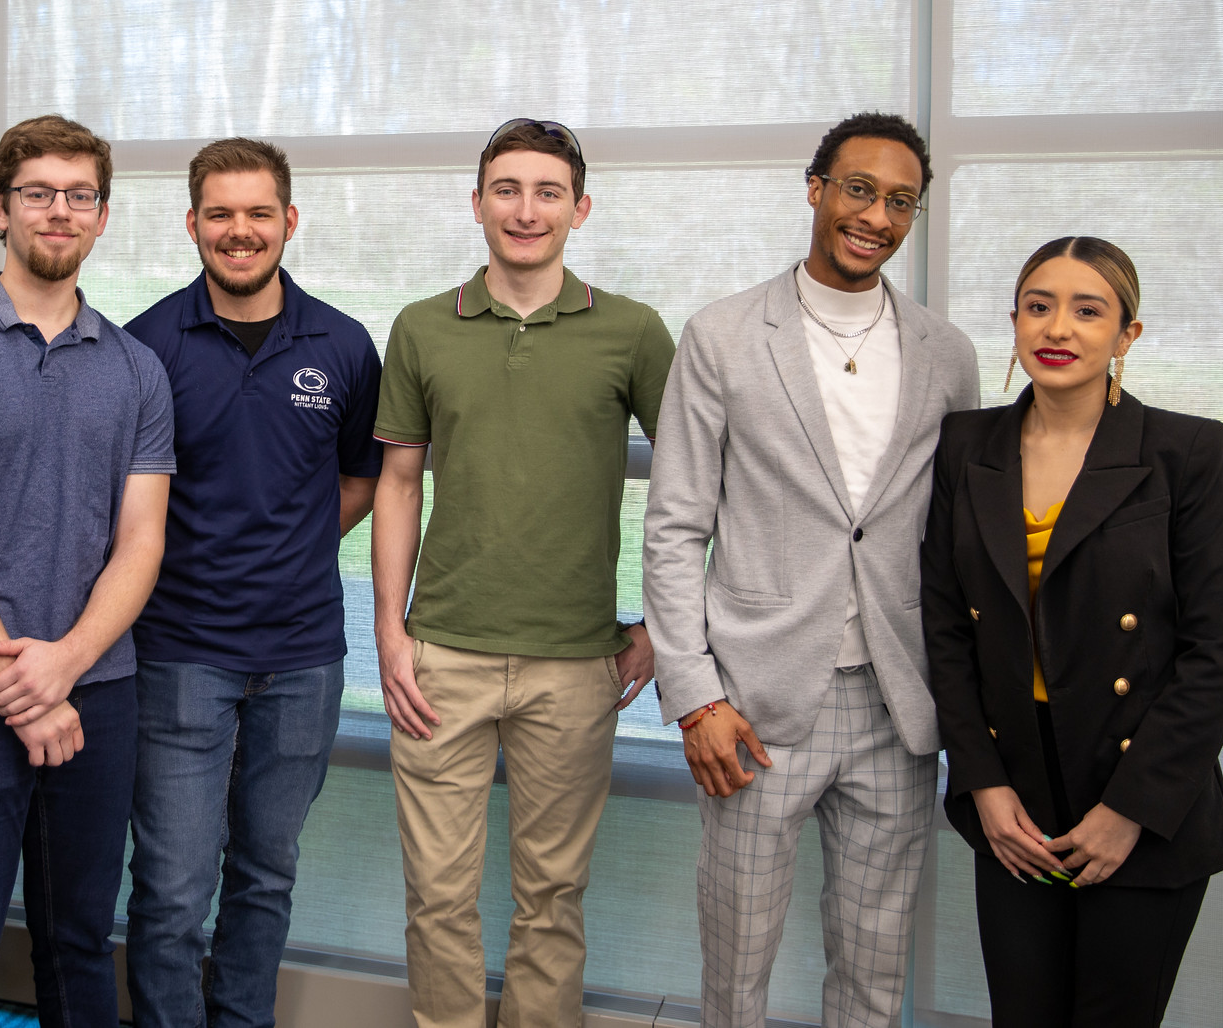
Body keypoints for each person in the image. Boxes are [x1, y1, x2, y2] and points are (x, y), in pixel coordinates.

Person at [644, 111, 980, 1028]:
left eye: (900, 200)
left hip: (898, 704)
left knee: (873, 976)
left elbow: (958, 537)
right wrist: (696, 696)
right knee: (737, 971)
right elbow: (675, 526)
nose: (876, 214)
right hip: (754, 705)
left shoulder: (947, 354)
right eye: (859, 189)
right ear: (816, 187)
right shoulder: (720, 334)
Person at [372, 118, 672, 1028]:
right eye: (506, 188)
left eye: (548, 191)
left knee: (552, 900)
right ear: (477, 203)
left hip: (577, 663)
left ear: (580, 208)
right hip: (442, 659)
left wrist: (661, 625)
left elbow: (697, 485)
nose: (526, 208)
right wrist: (390, 632)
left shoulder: (633, 332)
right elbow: (396, 480)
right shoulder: (424, 326)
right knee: (437, 898)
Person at [920, 237, 1223, 1028]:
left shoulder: (1186, 450)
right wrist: (983, 783)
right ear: (1014, 322)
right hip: (1016, 795)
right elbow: (943, 627)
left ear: (1127, 334)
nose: (1056, 326)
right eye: (1038, 305)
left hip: (1143, 792)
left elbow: (1216, 649)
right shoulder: (966, 447)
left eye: (1087, 308)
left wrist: (1130, 808)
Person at [0, 115, 174, 1028]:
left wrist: (67, 666)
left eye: (79, 195)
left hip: (99, 688)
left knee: (81, 941)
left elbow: (141, 542)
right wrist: (22, 678)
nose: (60, 211)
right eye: (38, 193)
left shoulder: (137, 369)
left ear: (102, 217)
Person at [122, 138, 384, 1028]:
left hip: (303, 660)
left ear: (289, 221)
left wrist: (291, 543)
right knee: (170, 893)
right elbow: (124, 507)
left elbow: (359, 480)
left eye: (258, 213)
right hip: (180, 656)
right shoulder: (146, 346)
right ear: (193, 223)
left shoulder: (344, 345)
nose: (241, 232)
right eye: (221, 214)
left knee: (267, 877)